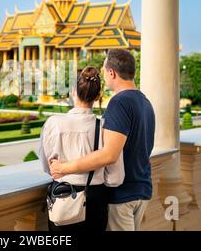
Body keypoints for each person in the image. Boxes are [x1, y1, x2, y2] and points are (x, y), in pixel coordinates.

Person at [50, 50, 155, 231]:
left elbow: (109, 155)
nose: (103, 75)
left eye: (104, 70)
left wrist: (64, 168)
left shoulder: (120, 102)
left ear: (112, 72)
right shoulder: (145, 102)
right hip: (142, 189)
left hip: (123, 195)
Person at [39, 67, 124, 232]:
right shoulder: (105, 127)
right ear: (98, 96)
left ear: (72, 92)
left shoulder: (53, 124)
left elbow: (46, 167)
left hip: (63, 196)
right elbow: (116, 177)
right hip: (95, 199)